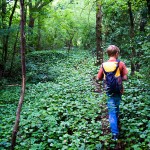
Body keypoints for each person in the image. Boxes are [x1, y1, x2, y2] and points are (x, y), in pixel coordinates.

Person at [96, 45, 128, 141]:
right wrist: (118, 79)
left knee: (111, 112)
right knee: (116, 107)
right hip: (118, 90)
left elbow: (98, 78)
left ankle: (114, 134)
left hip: (109, 91)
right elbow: (125, 77)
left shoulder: (103, 65)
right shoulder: (121, 64)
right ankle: (116, 128)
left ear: (108, 54)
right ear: (116, 53)